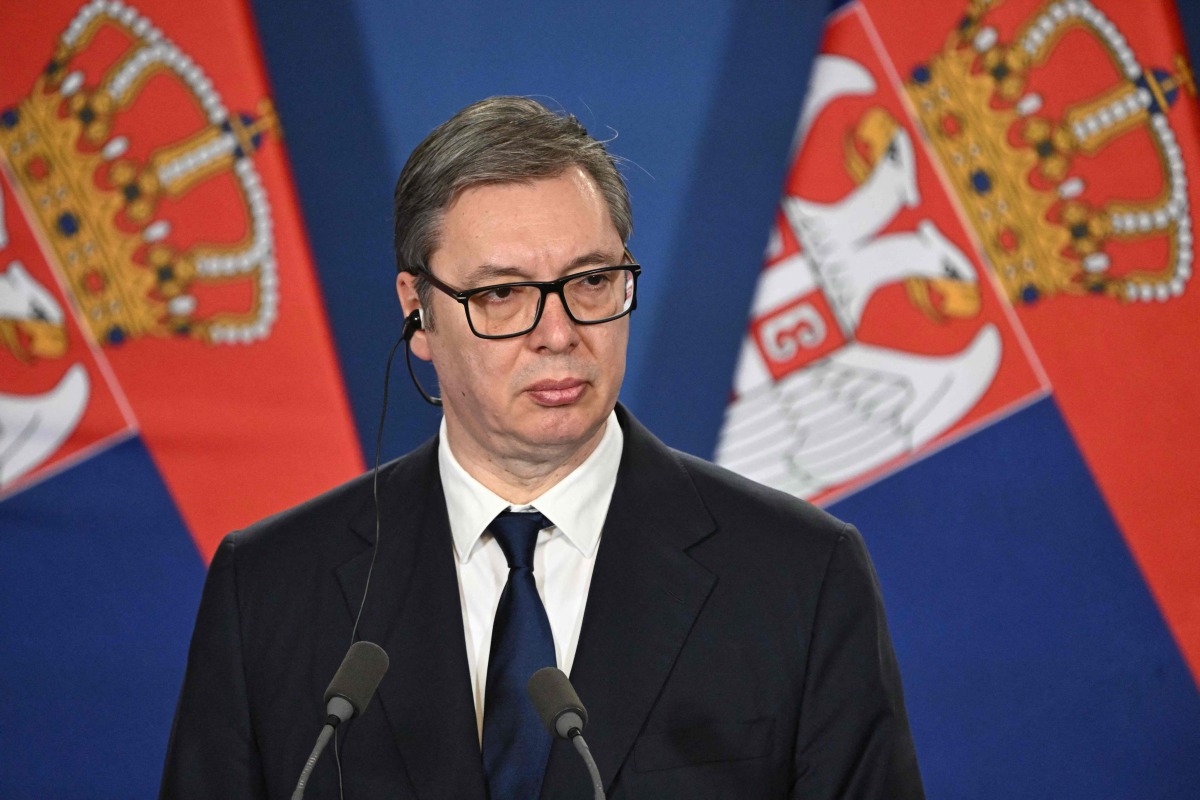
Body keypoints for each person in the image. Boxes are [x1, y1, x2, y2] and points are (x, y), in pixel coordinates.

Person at [161, 96, 924, 799]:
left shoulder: (800, 577)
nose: (558, 333)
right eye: (502, 294)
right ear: (418, 312)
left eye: (591, 281)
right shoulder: (266, 589)